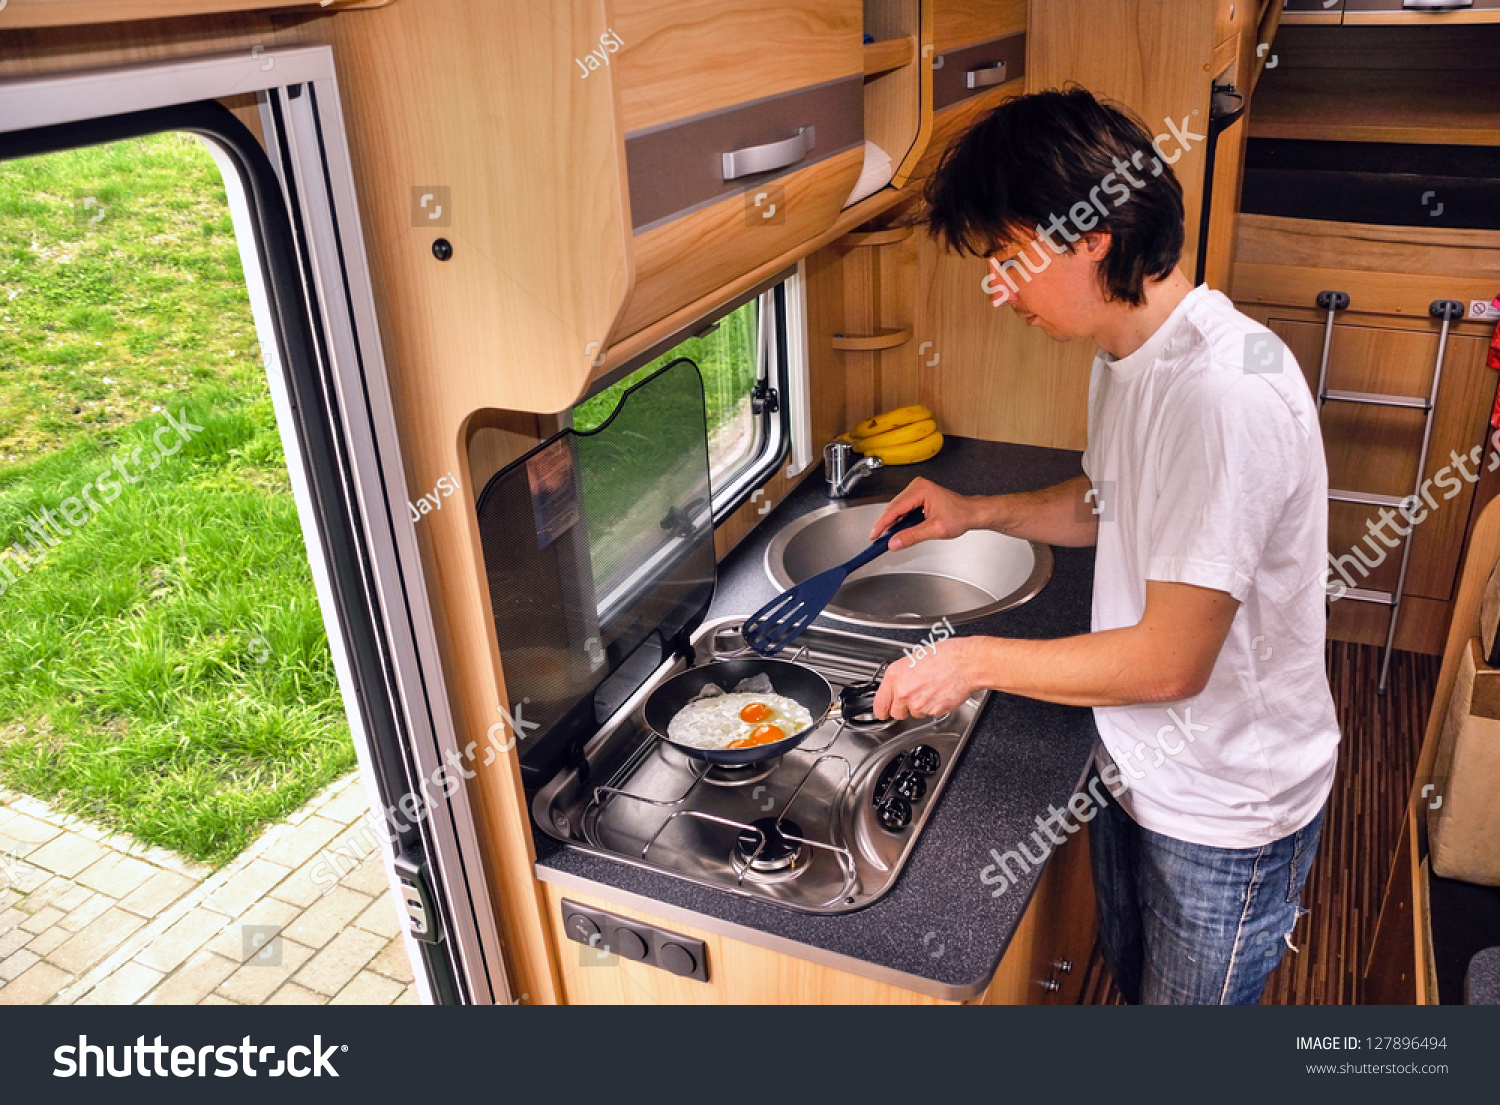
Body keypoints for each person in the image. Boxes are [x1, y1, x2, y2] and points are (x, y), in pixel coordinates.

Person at [869, 87, 1340, 1005]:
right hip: (1138, 768)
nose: (997, 288)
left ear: (1092, 233)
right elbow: (1110, 499)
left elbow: (1170, 664)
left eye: (1009, 256)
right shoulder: (1130, 355)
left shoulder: (1224, 395)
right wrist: (977, 512)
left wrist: (969, 659)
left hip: (1224, 805)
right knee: (1136, 986)